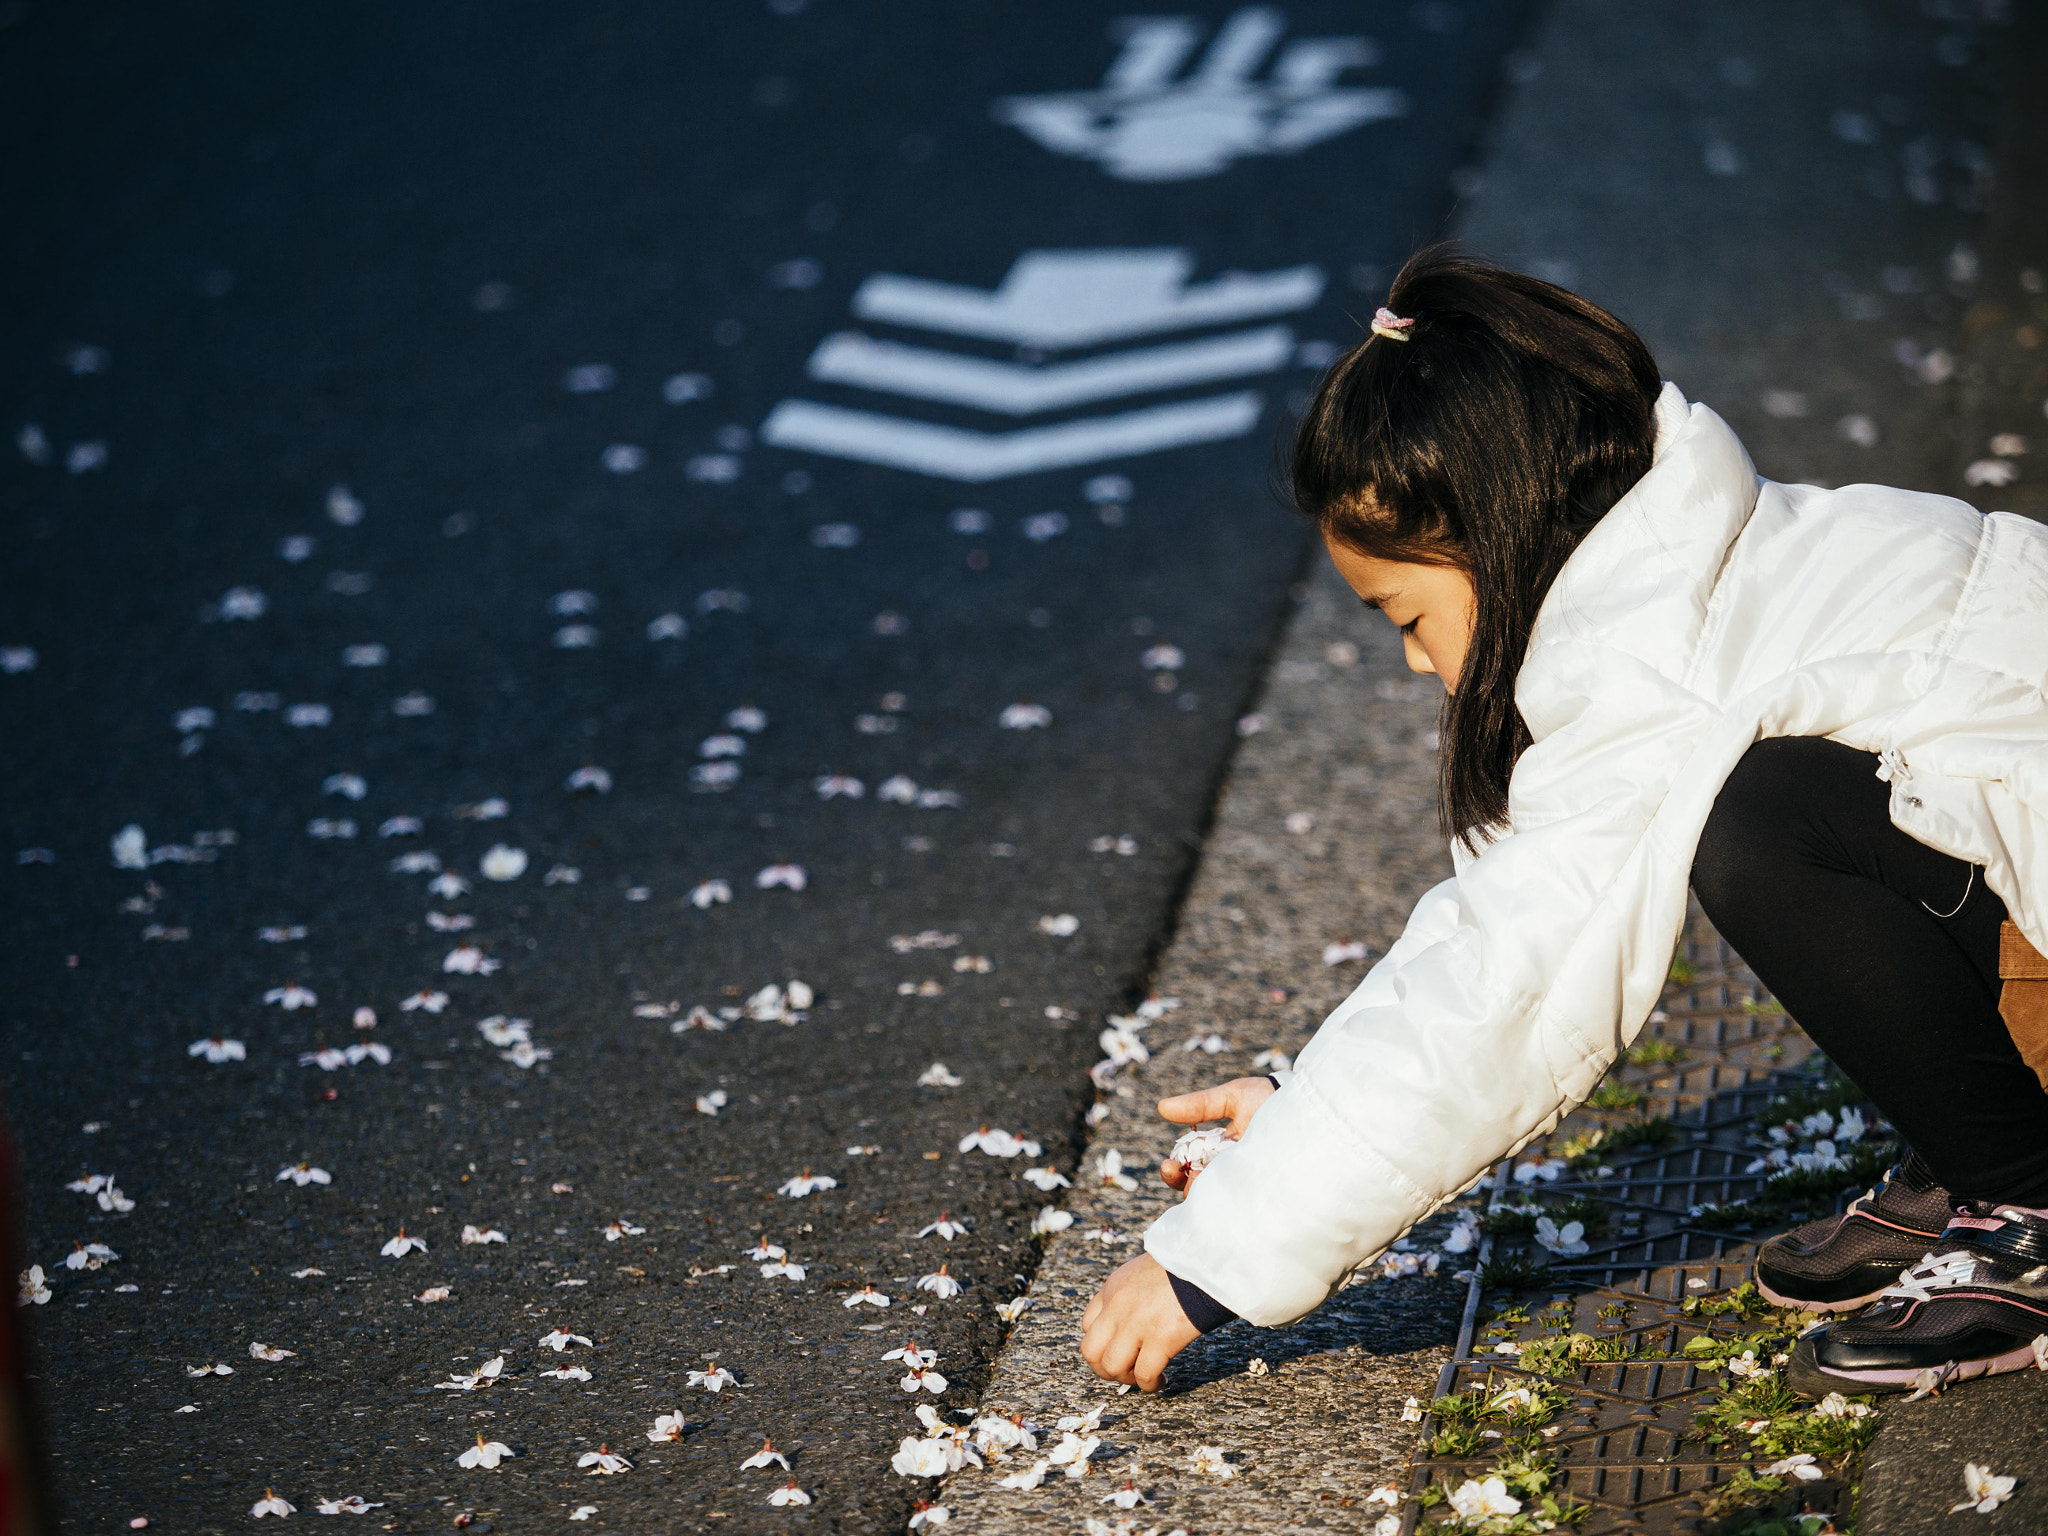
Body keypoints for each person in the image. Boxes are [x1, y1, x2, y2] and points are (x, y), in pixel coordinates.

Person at [1077, 246, 2048, 1398]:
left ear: (1493, 539)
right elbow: (1489, 924)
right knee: (1805, 801)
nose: (1410, 658)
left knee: (1760, 827)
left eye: (1403, 613)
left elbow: (1506, 984)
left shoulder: (1653, 663)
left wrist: (1213, 1260)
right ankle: (1974, 1147)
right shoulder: (1733, 551)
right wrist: (1293, 1131)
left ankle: (2023, 1199)